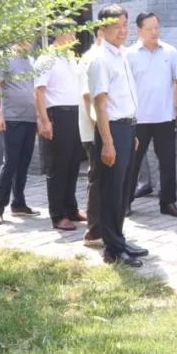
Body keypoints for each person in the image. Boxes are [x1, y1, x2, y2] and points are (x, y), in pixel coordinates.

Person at [88, 4, 148, 267]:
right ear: (102, 29)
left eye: (125, 25)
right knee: (111, 191)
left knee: (123, 190)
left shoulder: (121, 54)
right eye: (116, 26)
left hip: (127, 128)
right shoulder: (100, 60)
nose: (122, 31)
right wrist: (108, 142)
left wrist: (131, 129)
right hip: (111, 129)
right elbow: (100, 105)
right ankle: (112, 249)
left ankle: (119, 239)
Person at [125, 12, 177, 218]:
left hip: (165, 117)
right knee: (132, 163)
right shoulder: (129, 54)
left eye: (156, 28)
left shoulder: (170, 51)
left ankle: (168, 202)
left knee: (168, 162)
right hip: (138, 119)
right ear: (139, 30)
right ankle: (125, 202)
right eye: (149, 29)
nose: (154, 32)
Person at [34, 20, 86, 232]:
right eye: (70, 33)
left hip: (75, 114)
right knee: (58, 166)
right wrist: (44, 120)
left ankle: (71, 208)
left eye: (74, 32)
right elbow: (39, 91)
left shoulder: (70, 57)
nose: (74, 37)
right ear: (58, 34)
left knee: (73, 163)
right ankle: (58, 214)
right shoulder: (46, 58)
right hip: (57, 114)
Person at [0, 42, 40, 225]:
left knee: (24, 163)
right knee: (10, 163)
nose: (29, 40)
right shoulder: (4, 58)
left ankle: (18, 204)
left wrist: (39, 117)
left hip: (30, 119)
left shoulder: (31, 60)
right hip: (12, 119)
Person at [77, 27, 104, 248]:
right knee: (97, 179)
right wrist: (98, 126)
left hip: (105, 129)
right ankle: (94, 232)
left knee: (102, 179)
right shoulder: (93, 58)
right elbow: (88, 97)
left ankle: (104, 228)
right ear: (101, 32)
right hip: (95, 130)